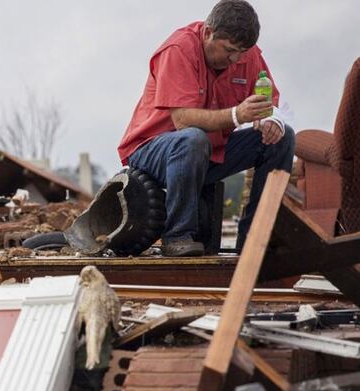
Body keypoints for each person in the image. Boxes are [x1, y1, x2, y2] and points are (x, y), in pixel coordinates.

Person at [117, 0, 295, 256]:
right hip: (152, 151)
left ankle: (256, 239)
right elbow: (183, 121)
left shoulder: (248, 55)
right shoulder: (179, 48)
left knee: (282, 138)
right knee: (192, 138)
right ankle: (177, 235)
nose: (235, 59)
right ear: (208, 32)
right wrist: (237, 115)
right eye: (229, 50)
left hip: (208, 150)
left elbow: (272, 100)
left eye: (241, 53)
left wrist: (272, 120)